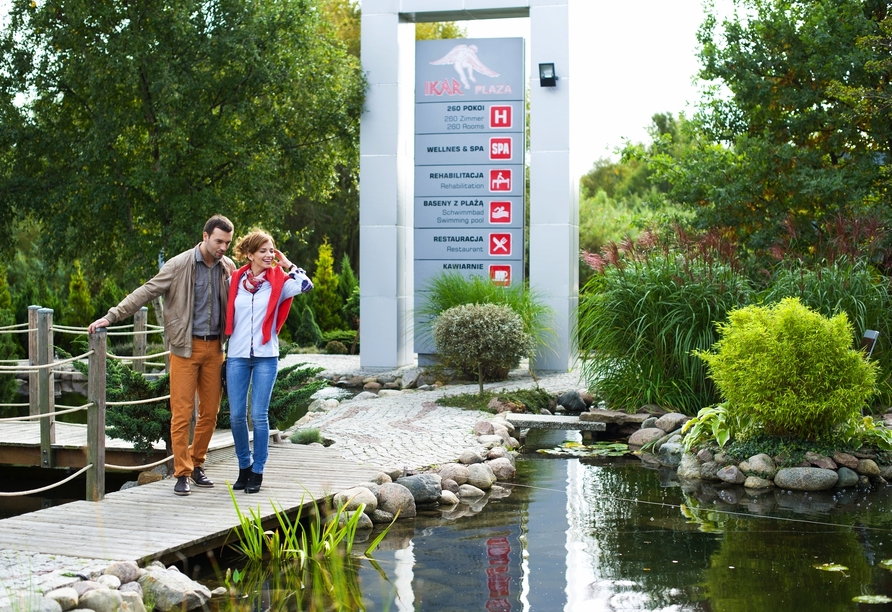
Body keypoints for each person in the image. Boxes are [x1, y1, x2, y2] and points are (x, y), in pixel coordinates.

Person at [88, 215, 236, 496]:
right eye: (219, 241)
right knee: (181, 414)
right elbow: (146, 291)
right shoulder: (179, 265)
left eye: (227, 243)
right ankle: (182, 473)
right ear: (204, 237)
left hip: (216, 348)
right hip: (184, 349)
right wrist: (112, 316)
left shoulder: (227, 268)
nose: (223, 248)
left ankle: (197, 463)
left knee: (210, 414)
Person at [225, 229, 313, 494]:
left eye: (271, 250)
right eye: (262, 250)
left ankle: (258, 471)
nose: (268, 254)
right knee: (237, 416)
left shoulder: (280, 281)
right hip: (237, 356)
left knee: (259, 416)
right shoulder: (236, 280)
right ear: (249, 254)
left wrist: (287, 264)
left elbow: (306, 285)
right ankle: (244, 467)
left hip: (266, 357)